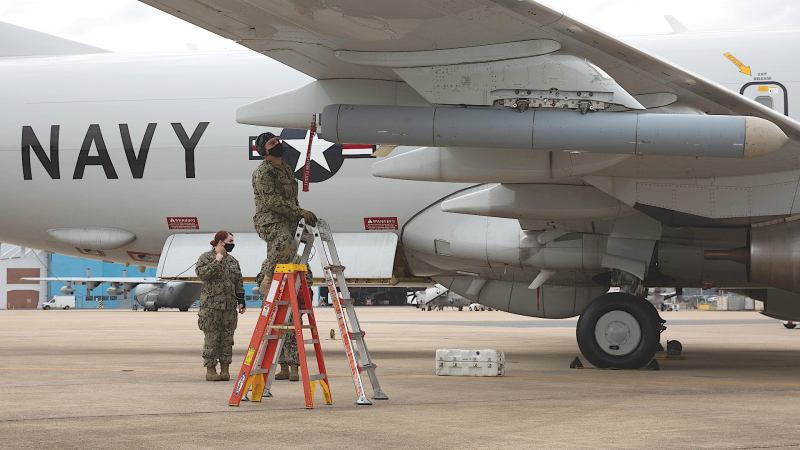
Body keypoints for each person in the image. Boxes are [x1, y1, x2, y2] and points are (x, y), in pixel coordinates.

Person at [252, 132, 316, 382]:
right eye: (271, 143)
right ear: (264, 151)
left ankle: (289, 367)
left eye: (277, 141)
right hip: (269, 219)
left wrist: (298, 215)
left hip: (288, 221)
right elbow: (272, 201)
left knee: (291, 257)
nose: (277, 145)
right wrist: (299, 211)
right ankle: (267, 278)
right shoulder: (263, 172)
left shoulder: (287, 170)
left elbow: (291, 198)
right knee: (281, 243)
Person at [195, 230, 246, 381]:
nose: (232, 244)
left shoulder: (233, 261)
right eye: (229, 241)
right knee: (212, 338)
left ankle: (225, 370)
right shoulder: (206, 257)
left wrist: (241, 301)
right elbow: (202, 274)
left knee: (227, 339)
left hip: (229, 308)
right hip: (211, 308)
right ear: (220, 242)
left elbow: (239, 282)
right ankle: (210, 370)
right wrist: (216, 262)